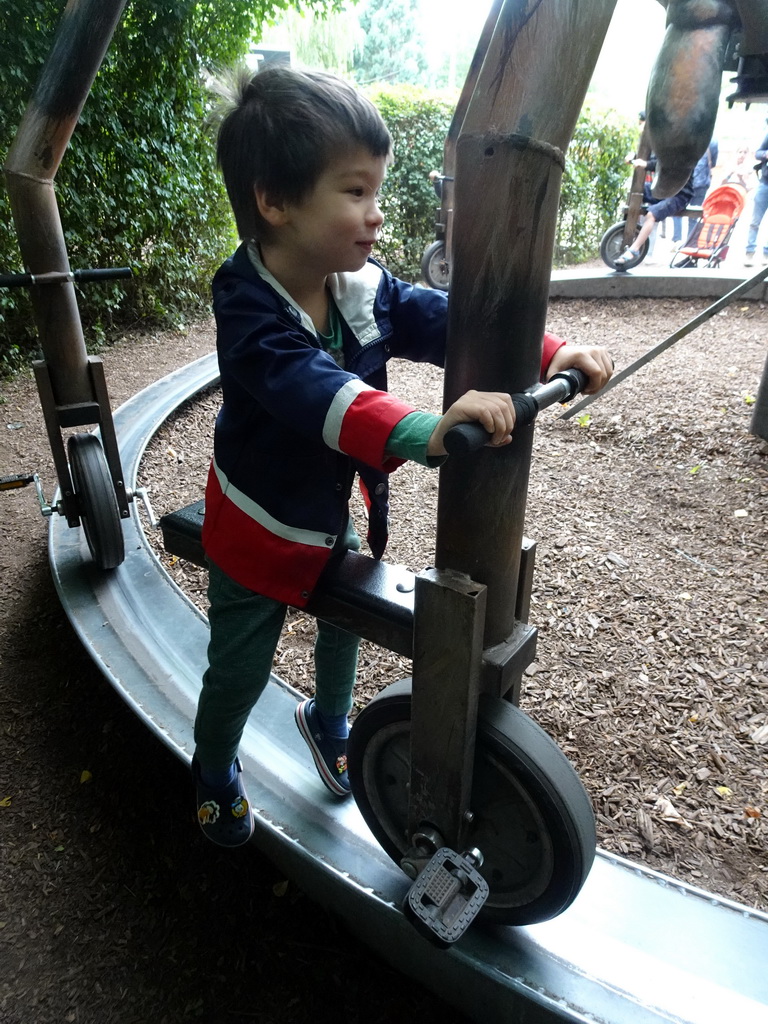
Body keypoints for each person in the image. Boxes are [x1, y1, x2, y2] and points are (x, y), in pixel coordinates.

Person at [193, 65, 614, 847]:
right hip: (257, 525)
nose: (377, 216)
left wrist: (550, 349)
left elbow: (443, 321)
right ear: (274, 201)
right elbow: (312, 390)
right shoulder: (247, 308)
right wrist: (424, 430)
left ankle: (328, 720)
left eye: (376, 192)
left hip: (328, 513)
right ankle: (214, 765)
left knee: (343, 621)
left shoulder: (359, 285)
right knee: (240, 666)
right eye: (354, 193)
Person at [614, 156, 694, 270]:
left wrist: (646, 164)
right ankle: (627, 232)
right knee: (636, 191)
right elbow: (658, 156)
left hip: (680, 195)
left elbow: (670, 164)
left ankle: (634, 250)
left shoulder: (686, 149)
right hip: (662, 190)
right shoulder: (668, 145)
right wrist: (634, 158)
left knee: (651, 215)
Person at [671, 139, 718, 246]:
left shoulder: (686, 136)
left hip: (683, 181)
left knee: (676, 209)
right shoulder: (712, 141)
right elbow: (713, 163)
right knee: (694, 214)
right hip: (701, 182)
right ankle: (689, 242)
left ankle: (677, 240)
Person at [744, 122, 768, 266]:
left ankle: (767, 254)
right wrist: (765, 154)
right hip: (765, 183)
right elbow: (758, 153)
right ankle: (749, 253)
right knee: (755, 221)